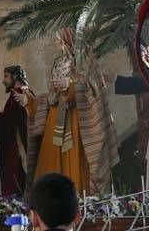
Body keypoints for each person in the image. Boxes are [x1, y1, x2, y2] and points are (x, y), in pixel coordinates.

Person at [29, 29, 118, 193]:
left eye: (61, 39)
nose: (58, 44)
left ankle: (80, 198)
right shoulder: (58, 62)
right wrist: (32, 101)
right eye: (57, 40)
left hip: (77, 120)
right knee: (51, 161)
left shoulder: (83, 61)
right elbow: (51, 96)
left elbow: (92, 87)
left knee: (76, 160)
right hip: (56, 119)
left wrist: (69, 87)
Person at [0, 65, 35, 196]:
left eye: (6, 76)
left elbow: (11, 119)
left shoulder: (18, 93)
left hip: (16, 146)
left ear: (15, 76)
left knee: (16, 176)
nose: (3, 81)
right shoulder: (25, 92)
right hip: (20, 142)